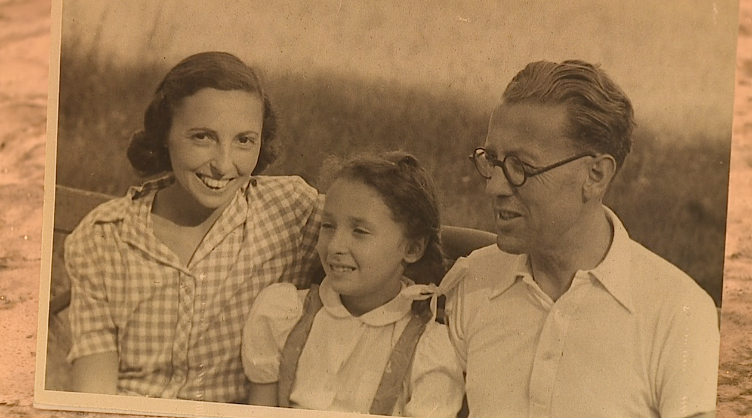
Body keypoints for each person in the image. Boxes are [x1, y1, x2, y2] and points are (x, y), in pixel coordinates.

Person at [444, 60, 720, 418]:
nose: (494, 186)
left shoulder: (678, 313)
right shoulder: (471, 283)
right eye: (492, 161)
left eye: (520, 168)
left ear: (595, 175)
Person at [64, 51, 323, 402]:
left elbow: (390, 234)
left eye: (244, 140)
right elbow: (93, 394)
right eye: (203, 137)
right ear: (165, 134)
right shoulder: (105, 237)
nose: (223, 164)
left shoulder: (291, 213)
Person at [242, 151, 464, 417]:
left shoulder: (428, 348)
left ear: (413, 248)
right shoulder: (285, 314)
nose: (335, 246)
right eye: (328, 226)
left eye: (359, 232)